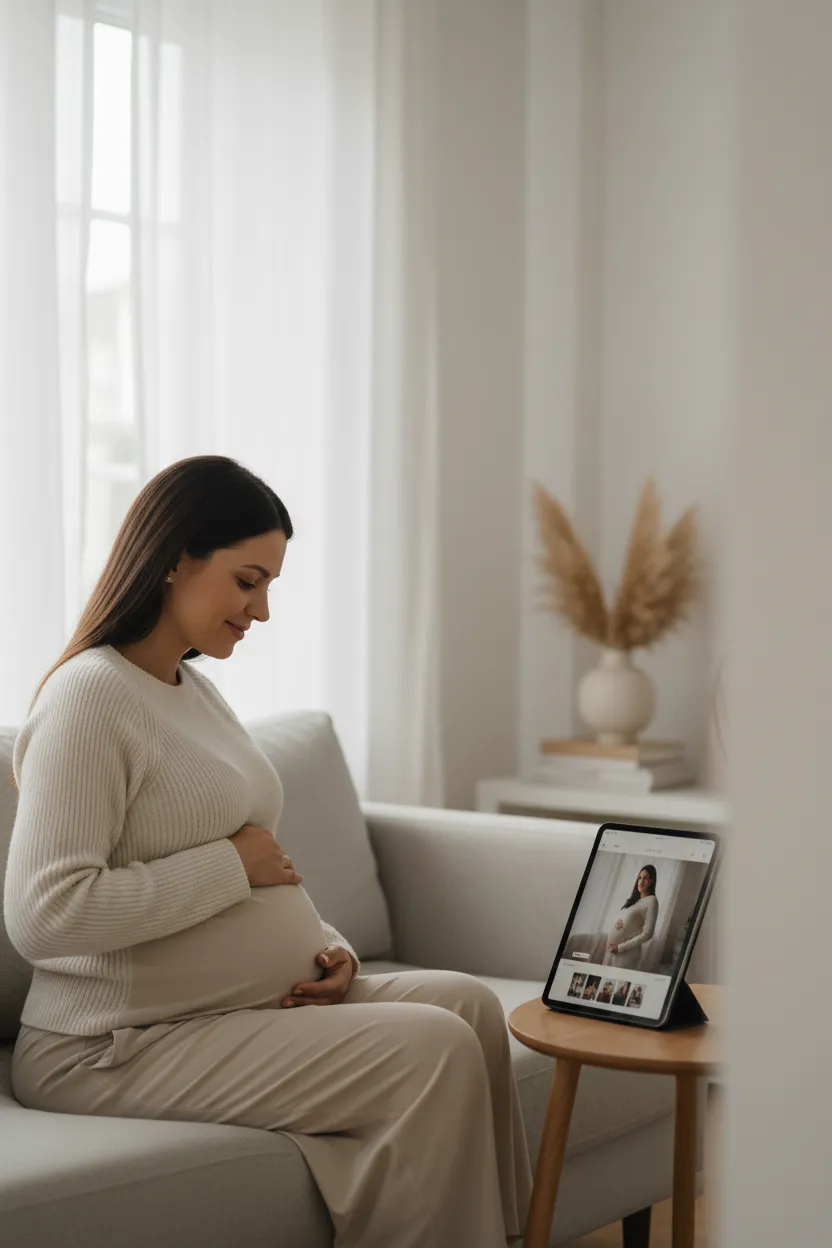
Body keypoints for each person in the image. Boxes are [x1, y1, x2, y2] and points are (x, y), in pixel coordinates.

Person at [4, 456, 532, 1248]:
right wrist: (228, 869)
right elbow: (45, 914)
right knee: (432, 1047)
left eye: (270, 586)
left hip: (223, 1010)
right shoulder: (88, 699)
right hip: (110, 1044)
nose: (262, 610)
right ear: (176, 558)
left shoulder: (194, 690)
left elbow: (265, 869)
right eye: (248, 580)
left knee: (469, 1006)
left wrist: (328, 950)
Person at [603, 865, 659, 971]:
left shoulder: (652, 901)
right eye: (639, 878)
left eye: (645, 878)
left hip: (625, 954)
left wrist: (620, 948)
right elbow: (631, 922)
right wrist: (618, 923)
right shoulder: (635, 900)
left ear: (651, 881)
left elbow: (648, 934)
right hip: (613, 951)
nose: (641, 882)